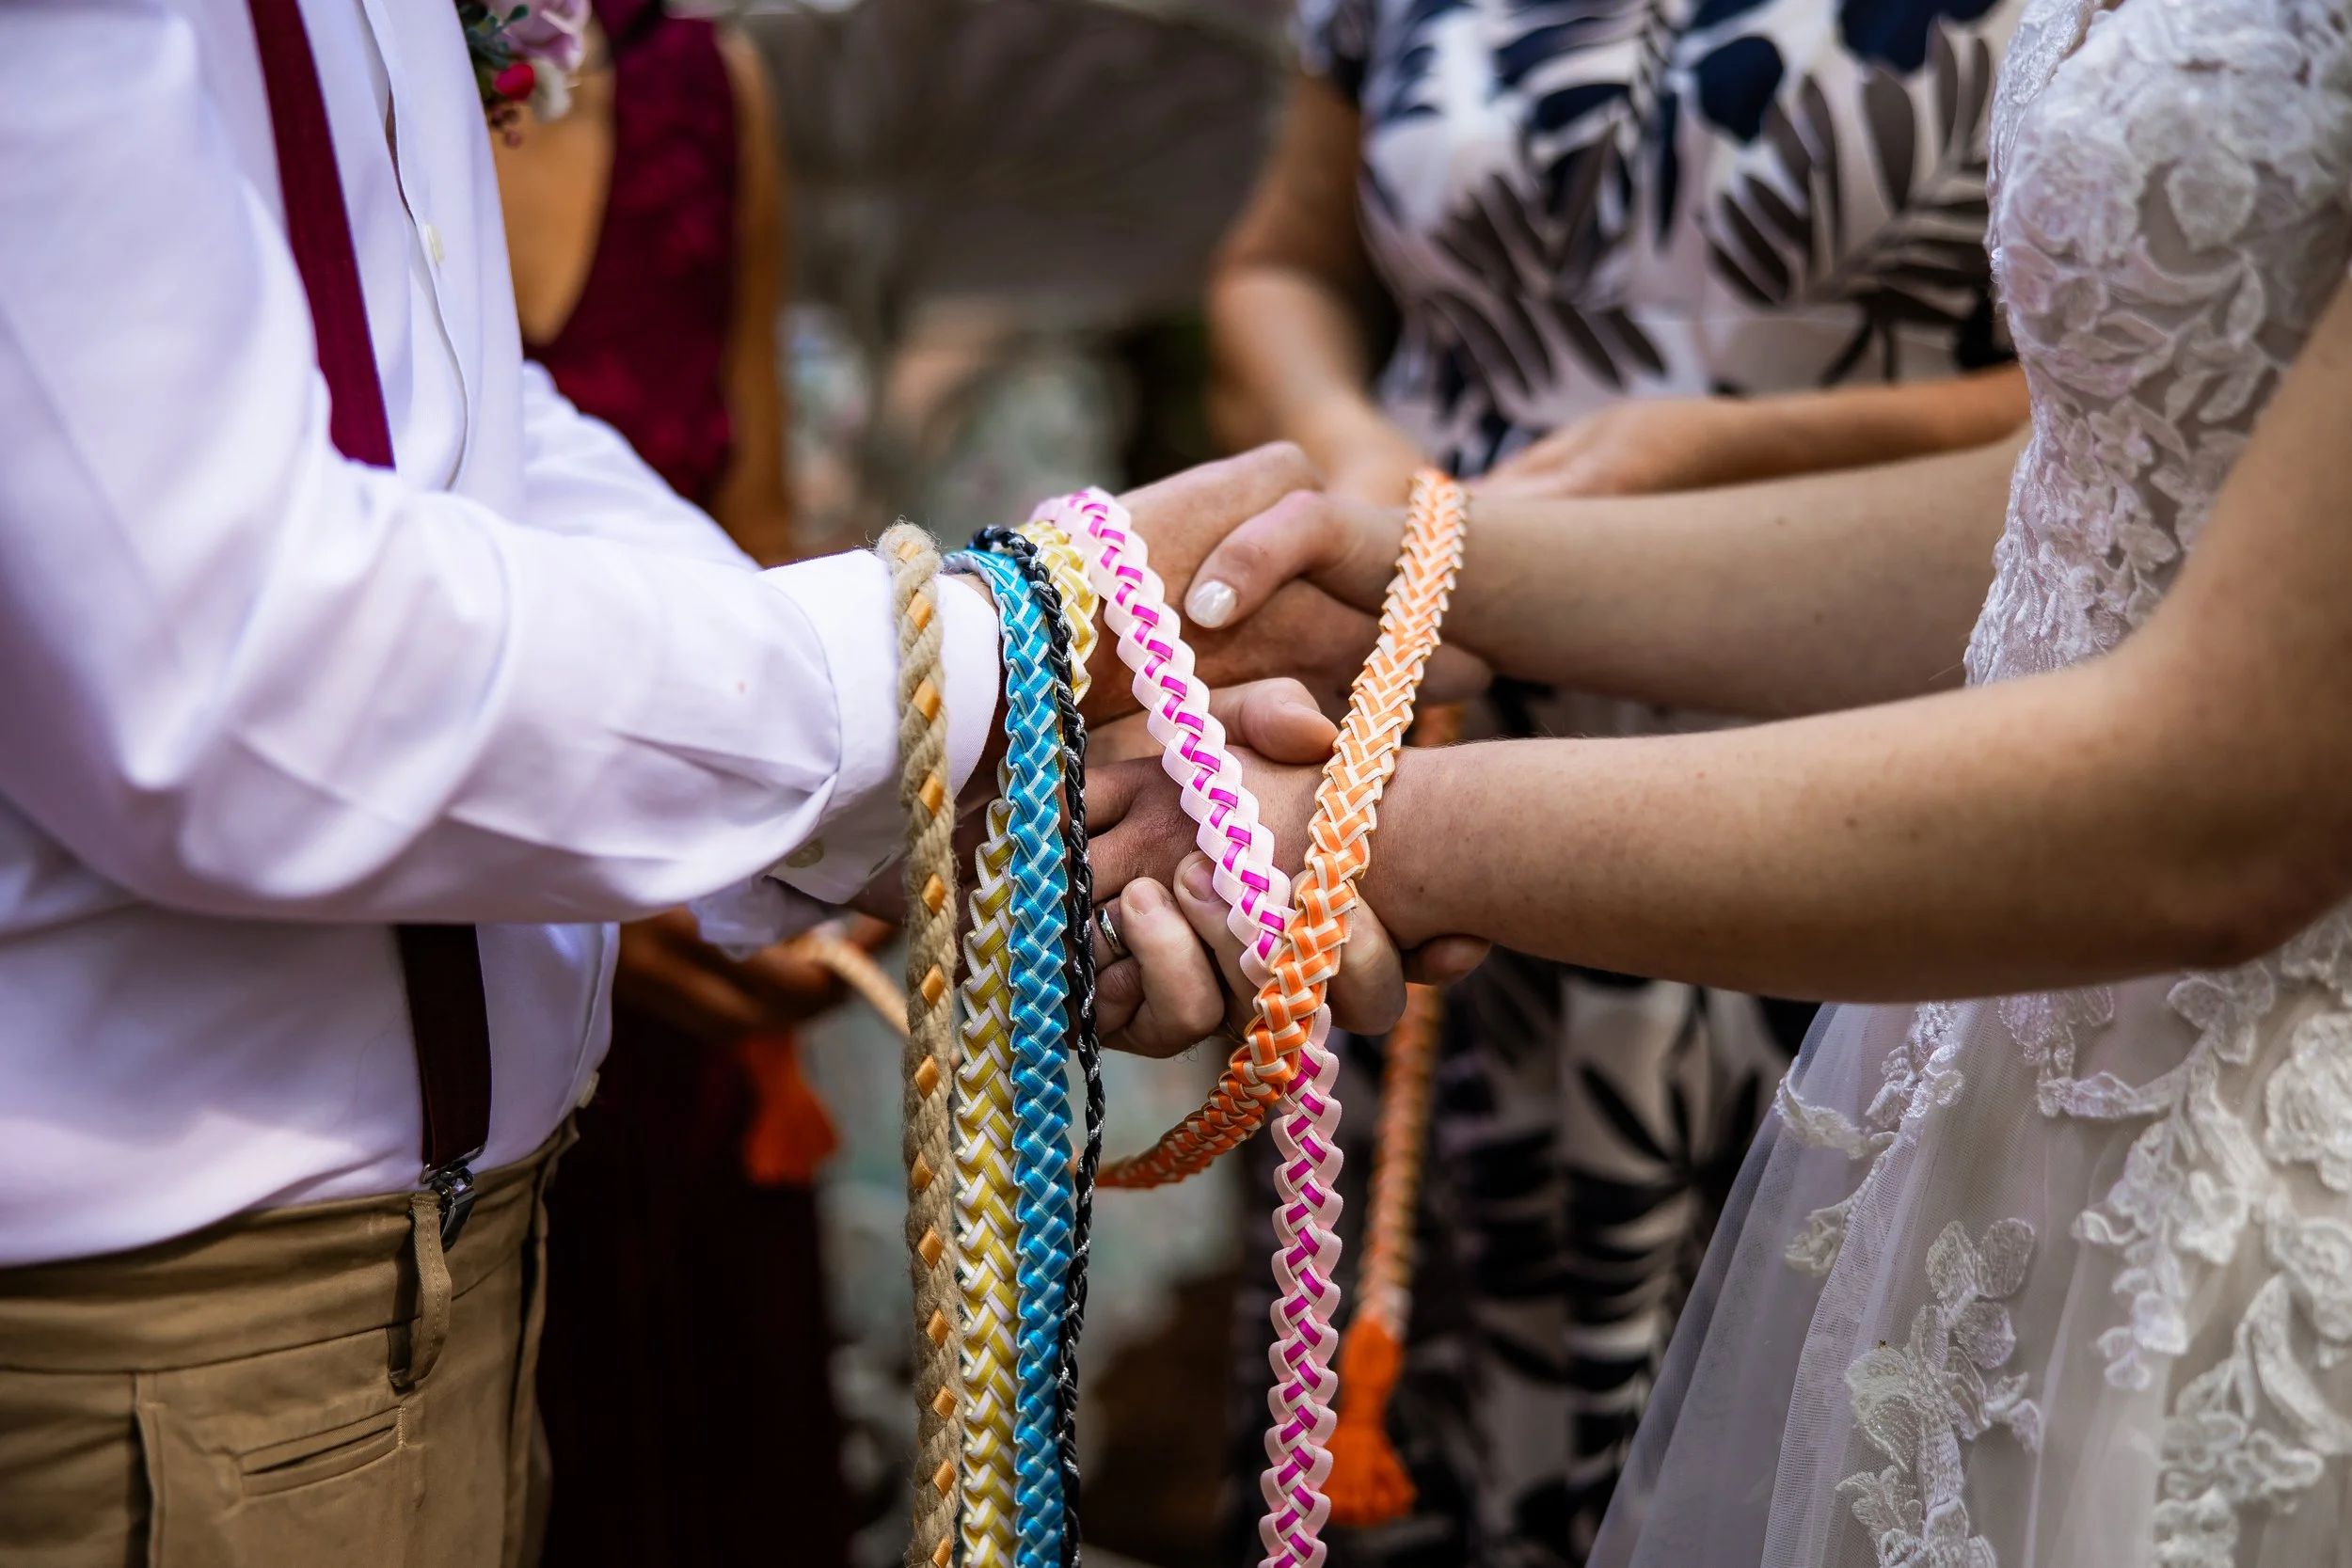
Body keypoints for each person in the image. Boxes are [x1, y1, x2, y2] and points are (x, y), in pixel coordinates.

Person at [0, 5, 1411, 1561]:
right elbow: (221, 657)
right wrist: (994, 643)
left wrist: (929, 777)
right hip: (152, 1341)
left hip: (456, 1274)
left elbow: (459, 430)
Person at [1092, 0, 2352, 1562]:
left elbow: (2223, 796)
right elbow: (2095, 508)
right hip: (1975, 1069)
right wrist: (1420, 565)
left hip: (2109, 996)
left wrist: (1369, 837)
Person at [1204, 0, 2031, 1553]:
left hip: (1839, 749)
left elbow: (2161, 393)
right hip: (1411, 710)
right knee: (1423, 1332)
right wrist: (1352, 442)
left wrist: (1747, 451)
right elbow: (1278, 264)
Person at [488, 5, 870, 1559]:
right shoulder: (269, 83)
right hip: (403, 990)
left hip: (689, 985)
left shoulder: (703, 88)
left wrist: (818, 842)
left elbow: (754, 531)